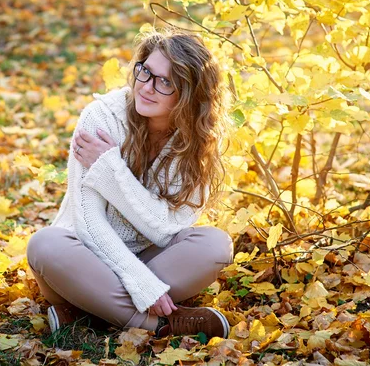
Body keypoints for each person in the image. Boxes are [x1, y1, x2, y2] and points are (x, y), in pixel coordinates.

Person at [26, 29, 233, 338]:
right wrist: (141, 284)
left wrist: (110, 170)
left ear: (190, 95)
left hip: (151, 259)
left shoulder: (197, 143)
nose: (146, 88)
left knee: (215, 246)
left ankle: (87, 312)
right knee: (45, 245)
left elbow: (165, 228)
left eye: (165, 82)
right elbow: (88, 221)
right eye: (145, 71)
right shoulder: (101, 118)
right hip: (82, 261)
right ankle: (160, 326)